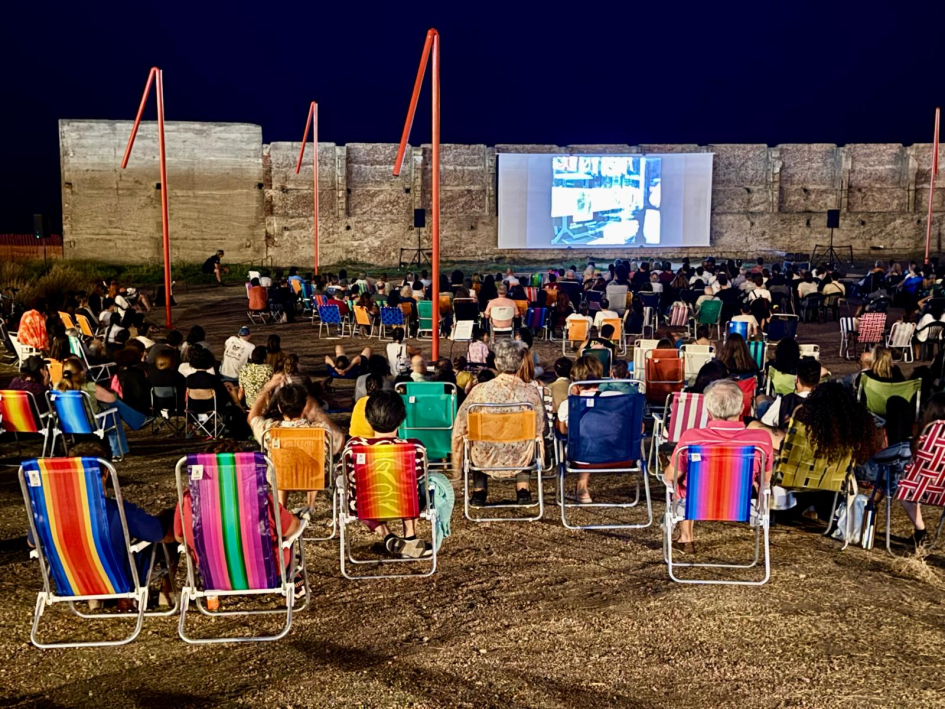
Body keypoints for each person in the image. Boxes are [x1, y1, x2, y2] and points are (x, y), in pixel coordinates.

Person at [175, 440, 303, 605]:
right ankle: (291, 582)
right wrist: (300, 519)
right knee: (287, 543)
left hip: (213, 573)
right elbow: (290, 529)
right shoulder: (259, 499)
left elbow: (180, 537)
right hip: (268, 573)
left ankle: (212, 594)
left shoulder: (188, 500)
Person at [663, 380, 779, 553]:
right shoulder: (760, 439)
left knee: (682, 482)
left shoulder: (692, 438)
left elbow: (671, 477)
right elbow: (765, 480)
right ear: (741, 409)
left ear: (708, 412)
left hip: (696, 504)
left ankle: (686, 537)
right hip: (740, 505)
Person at [452, 339, 545, 505]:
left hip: (485, 455)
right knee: (528, 438)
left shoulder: (480, 390)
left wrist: (456, 457)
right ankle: (523, 489)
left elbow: (461, 422)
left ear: (496, 362)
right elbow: (539, 425)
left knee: (475, 438)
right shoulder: (531, 392)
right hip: (519, 456)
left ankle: (479, 491)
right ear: (519, 363)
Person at [343, 390, 434, 559]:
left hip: (365, 507)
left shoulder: (353, 447)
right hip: (404, 504)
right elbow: (421, 478)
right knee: (411, 487)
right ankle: (410, 537)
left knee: (360, 492)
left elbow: (342, 476)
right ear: (401, 418)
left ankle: (387, 535)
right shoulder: (414, 447)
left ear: (369, 419)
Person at [555, 355, 623, 504]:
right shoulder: (617, 398)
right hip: (620, 455)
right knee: (594, 437)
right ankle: (581, 488)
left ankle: (582, 488)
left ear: (575, 380)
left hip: (582, 457)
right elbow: (640, 426)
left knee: (585, 440)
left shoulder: (569, 405)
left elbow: (563, 431)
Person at [57, 357, 145, 458]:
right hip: (90, 423)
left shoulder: (57, 388)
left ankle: (138, 421)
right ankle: (118, 451)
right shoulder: (89, 386)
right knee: (113, 412)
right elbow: (111, 398)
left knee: (110, 406)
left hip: (67, 423)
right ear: (81, 372)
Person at [900, 393, 945, 546]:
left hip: (921, 487)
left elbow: (916, 459)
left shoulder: (925, 434)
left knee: (904, 491)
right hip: (943, 488)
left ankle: (921, 530)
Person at [761, 356, 820, 429]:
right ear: (818, 380)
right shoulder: (826, 402)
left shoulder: (784, 401)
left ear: (796, 379)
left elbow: (765, 423)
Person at [350, 374, 385, 438]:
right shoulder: (380, 403)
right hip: (371, 437)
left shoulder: (360, 401)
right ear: (381, 387)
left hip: (354, 436)